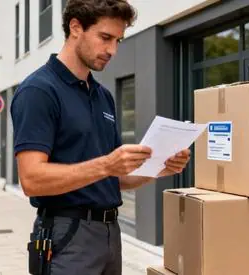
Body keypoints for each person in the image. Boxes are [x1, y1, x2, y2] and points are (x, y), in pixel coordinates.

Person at [10, 1, 191, 274]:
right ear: (75, 28)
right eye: (105, 38)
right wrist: (107, 164)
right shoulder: (38, 91)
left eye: (118, 40)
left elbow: (114, 180)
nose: (112, 50)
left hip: (109, 234)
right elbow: (31, 179)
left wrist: (158, 168)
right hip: (66, 236)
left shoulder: (103, 95)